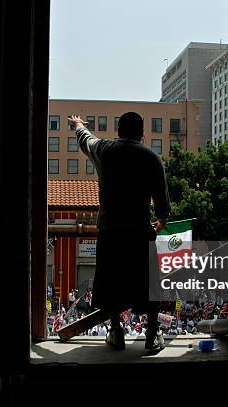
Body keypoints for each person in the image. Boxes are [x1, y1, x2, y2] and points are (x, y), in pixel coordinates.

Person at [70, 113, 170, 351]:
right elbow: (163, 204)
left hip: (110, 231)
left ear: (119, 130)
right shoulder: (151, 158)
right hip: (139, 231)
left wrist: (78, 126)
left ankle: (116, 332)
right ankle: (153, 335)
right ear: (142, 133)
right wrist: (160, 221)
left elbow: (86, 139)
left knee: (111, 282)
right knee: (148, 283)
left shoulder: (105, 150)